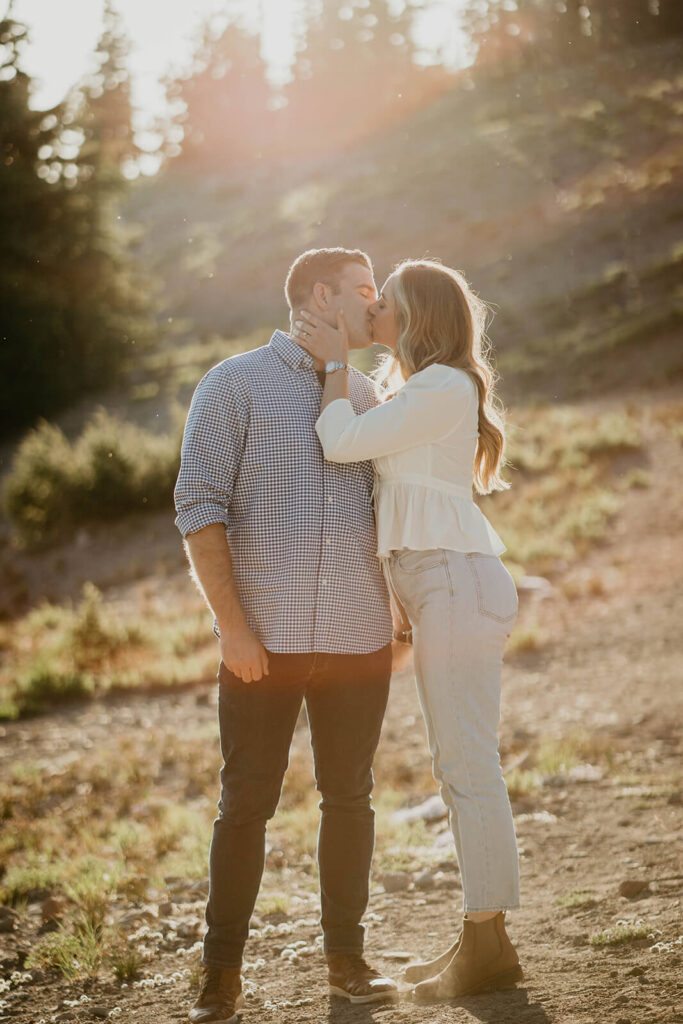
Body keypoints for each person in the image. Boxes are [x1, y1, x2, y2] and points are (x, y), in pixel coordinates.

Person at [174, 247, 400, 1023]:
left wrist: (398, 617)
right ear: (317, 296)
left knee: (350, 799)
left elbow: (391, 513)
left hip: (359, 638)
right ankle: (219, 977)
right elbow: (198, 509)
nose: (376, 306)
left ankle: (346, 961)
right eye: (364, 291)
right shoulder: (231, 384)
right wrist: (231, 630)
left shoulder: (368, 396)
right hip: (260, 646)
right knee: (245, 807)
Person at [290, 257, 523, 1002]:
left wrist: (332, 366)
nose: (372, 308)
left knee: (466, 763)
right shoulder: (418, 388)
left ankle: (486, 947)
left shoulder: (443, 386)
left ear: (414, 316)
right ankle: (479, 935)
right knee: (456, 763)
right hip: (437, 584)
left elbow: (339, 441)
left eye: (383, 301)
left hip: (453, 579)